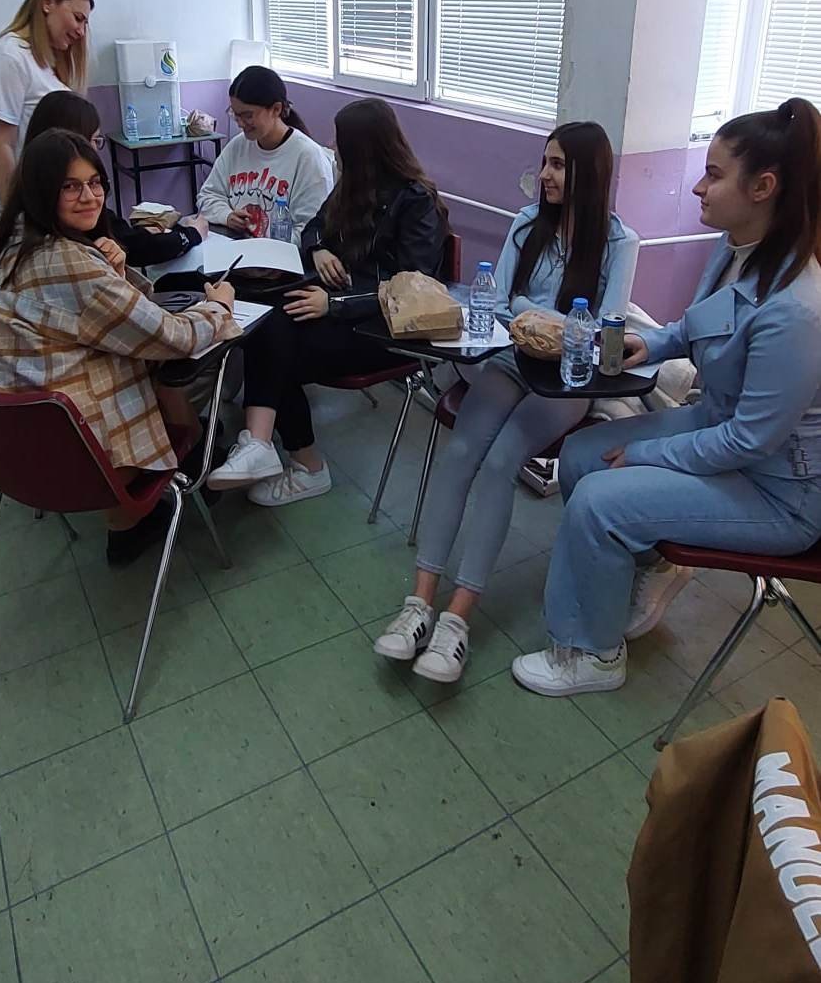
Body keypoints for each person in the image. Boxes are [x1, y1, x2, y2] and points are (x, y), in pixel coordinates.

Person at [513, 97, 821, 698]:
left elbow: (750, 440)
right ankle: (646, 562)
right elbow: (700, 324)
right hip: (721, 430)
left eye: (714, 174)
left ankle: (594, 653)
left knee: (600, 500)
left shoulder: (797, 310)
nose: (699, 187)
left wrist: (647, 456)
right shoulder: (736, 249)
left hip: (779, 492)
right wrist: (650, 342)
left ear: (762, 187)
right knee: (580, 455)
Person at [375, 122, 639, 683]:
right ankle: (419, 604)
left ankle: (457, 620)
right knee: (460, 452)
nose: (544, 175)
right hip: (510, 359)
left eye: (558, 165)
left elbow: (606, 327)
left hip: (567, 381)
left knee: (500, 465)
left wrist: (535, 314)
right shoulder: (527, 223)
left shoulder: (620, 243)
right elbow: (496, 299)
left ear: (589, 174)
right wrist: (541, 318)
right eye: (545, 162)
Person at [0, 129, 237, 563]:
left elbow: (87, 317)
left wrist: (112, 270)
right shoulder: (66, 260)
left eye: (95, 183)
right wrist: (219, 307)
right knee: (170, 368)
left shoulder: (14, 243)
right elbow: (173, 336)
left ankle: (135, 517)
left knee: (146, 365)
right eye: (70, 186)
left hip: (14, 449)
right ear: (41, 191)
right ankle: (191, 473)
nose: (89, 197)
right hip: (80, 459)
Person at [207, 96, 448, 504]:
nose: (334, 148)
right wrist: (319, 249)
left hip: (387, 329)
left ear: (364, 148)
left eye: (341, 141)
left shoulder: (417, 201)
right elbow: (315, 226)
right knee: (268, 325)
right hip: (346, 309)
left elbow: (411, 288)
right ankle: (260, 444)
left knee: (280, 353)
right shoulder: (355, 186)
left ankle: (306, 466)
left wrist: (334, 305)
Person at [25, 92, 209, 268]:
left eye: (94, 183)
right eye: (70, 186)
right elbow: (134, 248)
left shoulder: (32, 206)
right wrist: (192, 234)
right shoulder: (62, 254)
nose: (93, 150)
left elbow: (122, 238)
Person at [0, 0, 94, 206]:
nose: (81, 31)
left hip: (58, 199)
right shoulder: (9, 57)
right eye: (77, 18)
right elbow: (1, 145)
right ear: (47, 3)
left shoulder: (46, 61)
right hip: (31, 206)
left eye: (85, 23)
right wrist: (14, 215)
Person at [197, 65, 332, 238]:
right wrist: (227, 215)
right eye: (235, 114)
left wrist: (266, 245)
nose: (240, 123)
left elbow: (312, 231)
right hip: (236, 245)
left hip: (279, 252)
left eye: (248, 115)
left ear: (276, 109)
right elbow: (207, 196)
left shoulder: (308, 157)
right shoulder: (237, 146)